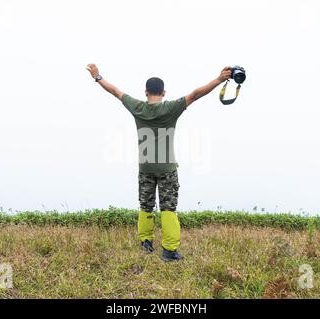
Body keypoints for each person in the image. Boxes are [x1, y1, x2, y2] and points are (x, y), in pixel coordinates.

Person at [86, 64, 232, 262]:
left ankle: (146, 243)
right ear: (163, 92)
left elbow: (114, 91)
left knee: (145, 205)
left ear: (146, 92)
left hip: (145, 167)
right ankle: (169, 251)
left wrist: (97, 77)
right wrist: (219, 79)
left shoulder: (137, 107)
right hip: (166, 169)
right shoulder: (171, 108)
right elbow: (196, 94)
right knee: (168, 208)